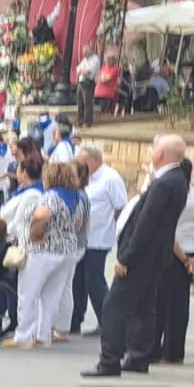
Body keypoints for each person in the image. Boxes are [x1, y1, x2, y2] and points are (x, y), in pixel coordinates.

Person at [87, 134, 189, 377]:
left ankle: (110, 359)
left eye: (154, 149)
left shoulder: (165, 183)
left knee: (114, 306)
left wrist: (127, 257)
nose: (151, 152)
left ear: (161, 153)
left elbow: (147, 223)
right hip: (155, 256)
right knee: (144, 306)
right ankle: (139, 356)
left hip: (143, 256)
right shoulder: (174, 180)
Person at [5, 160, 88, 348]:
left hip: (43, 250)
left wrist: (35, 233)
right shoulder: (76, 197)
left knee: (28, 293)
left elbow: (42, 215)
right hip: (66, 250)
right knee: (51, 296)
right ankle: (43, 336)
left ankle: (23, 336)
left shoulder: (51, 196)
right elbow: (78, 224)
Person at [155, 158, 194, 363]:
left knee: (158, 302)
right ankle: (174, 350)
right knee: (179, 305)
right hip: (190, 250)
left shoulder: (169, 193)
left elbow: (166, 230)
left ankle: (152, 347)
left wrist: (183, 257)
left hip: (170, 252)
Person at [73, 143, 127, 335]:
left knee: (94, 281)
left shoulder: (110, 178)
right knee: (77, 280)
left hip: (98, 238)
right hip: (80, 238)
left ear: (95, 160)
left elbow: (121, 208)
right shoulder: (83, 177)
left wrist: (111, 228)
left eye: (83, 161)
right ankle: (74, 320)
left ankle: (108, 322)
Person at [76, 47, 101, 126]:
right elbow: (78, 69)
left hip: (88, 82)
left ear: (90, 51)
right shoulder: (85, 60)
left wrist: (83, 71)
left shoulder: (95, 59)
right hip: (81, 82)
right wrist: (81, 71)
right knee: (80, 102)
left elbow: (88, 71)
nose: (84, 54)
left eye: (85, 52)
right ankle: (80, 120)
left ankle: (87, 122)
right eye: (83, 52)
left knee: (87, 103)